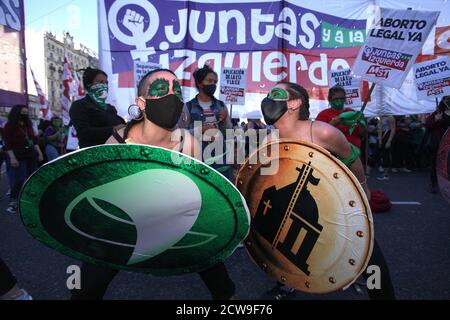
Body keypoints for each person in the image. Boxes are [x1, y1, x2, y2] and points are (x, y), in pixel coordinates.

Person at [71, 69, 236, 300]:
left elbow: (202, 199)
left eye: (177, 91)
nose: (172, 97)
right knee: (85, 283)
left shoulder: (187, 144)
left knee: (218, 277)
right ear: (141, 102)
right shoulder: (119, 141)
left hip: (173, 217)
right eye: (160, 89)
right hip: (126, 221)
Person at [260, 82, 395, 300]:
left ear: (295, 103)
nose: (267, 100)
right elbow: (265, 180)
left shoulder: (323, 132)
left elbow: (353, 160)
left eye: (275, 94)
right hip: (299, 205)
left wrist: (363, 194)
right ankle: (285, 287)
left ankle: (381, 294)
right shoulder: (269, 141)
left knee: (370, 258)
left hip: (339, 206)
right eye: (267, 95)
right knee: (287, 248)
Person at [186, 65, 233, 179]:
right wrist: (200, 130)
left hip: (220, 160)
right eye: (209, 81)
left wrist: (223, 121)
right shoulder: (188, 107)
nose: (213, 84)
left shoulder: (221, 106)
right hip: (196, 159)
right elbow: (180, 134)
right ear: (200, 83)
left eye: (215, 82)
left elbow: (229, 134)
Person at [69, 67, 126, 148]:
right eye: (101, 82)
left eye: (106, 82)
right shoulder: (79, 105)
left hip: (115, 152)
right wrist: (113, 130)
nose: (104, 85)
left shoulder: (110, 108)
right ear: (89, 84)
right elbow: (84, 132)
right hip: (92, 154)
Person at [3, 105, 44, 214]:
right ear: (16, 113)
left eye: (27, 112)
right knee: (18, 180)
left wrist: (39, 153)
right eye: (23, 112)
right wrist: (12, 158)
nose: (25, 115)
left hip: (31, 155)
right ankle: (13, 202)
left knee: (32, 178)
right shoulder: (9, 126)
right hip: (17, 156)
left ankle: (29, 200)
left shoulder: (28, 125)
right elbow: (7, 144)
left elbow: (34, 141)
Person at [316, 85, 366, 149]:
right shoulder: (323, 115)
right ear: (329, 99)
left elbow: (362, 134)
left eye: (342, 98)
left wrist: (362, 122)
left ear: (345, 99)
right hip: (334, 152)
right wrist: (333, 124)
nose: (339, 101)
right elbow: (319, 135)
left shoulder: (352, 112)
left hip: (354, 151)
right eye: (336, 99)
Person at [425, 95, 450, 193]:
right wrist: (436, 119)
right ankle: (435, 184)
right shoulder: (439, 112)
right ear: (443, 100)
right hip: (439, 143)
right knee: (436, 163)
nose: (448, 100)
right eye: (447, 98)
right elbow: (428, 125)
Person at [376, 115, 396, 181]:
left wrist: (389, 141)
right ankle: (383, 172)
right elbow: (380, 128)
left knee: (386, 155)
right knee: (380, 154)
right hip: (382, 136)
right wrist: (380, 140)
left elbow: (393, 129)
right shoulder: (381, 117)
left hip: (387, 135)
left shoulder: (390, 117)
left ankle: (386, 175)